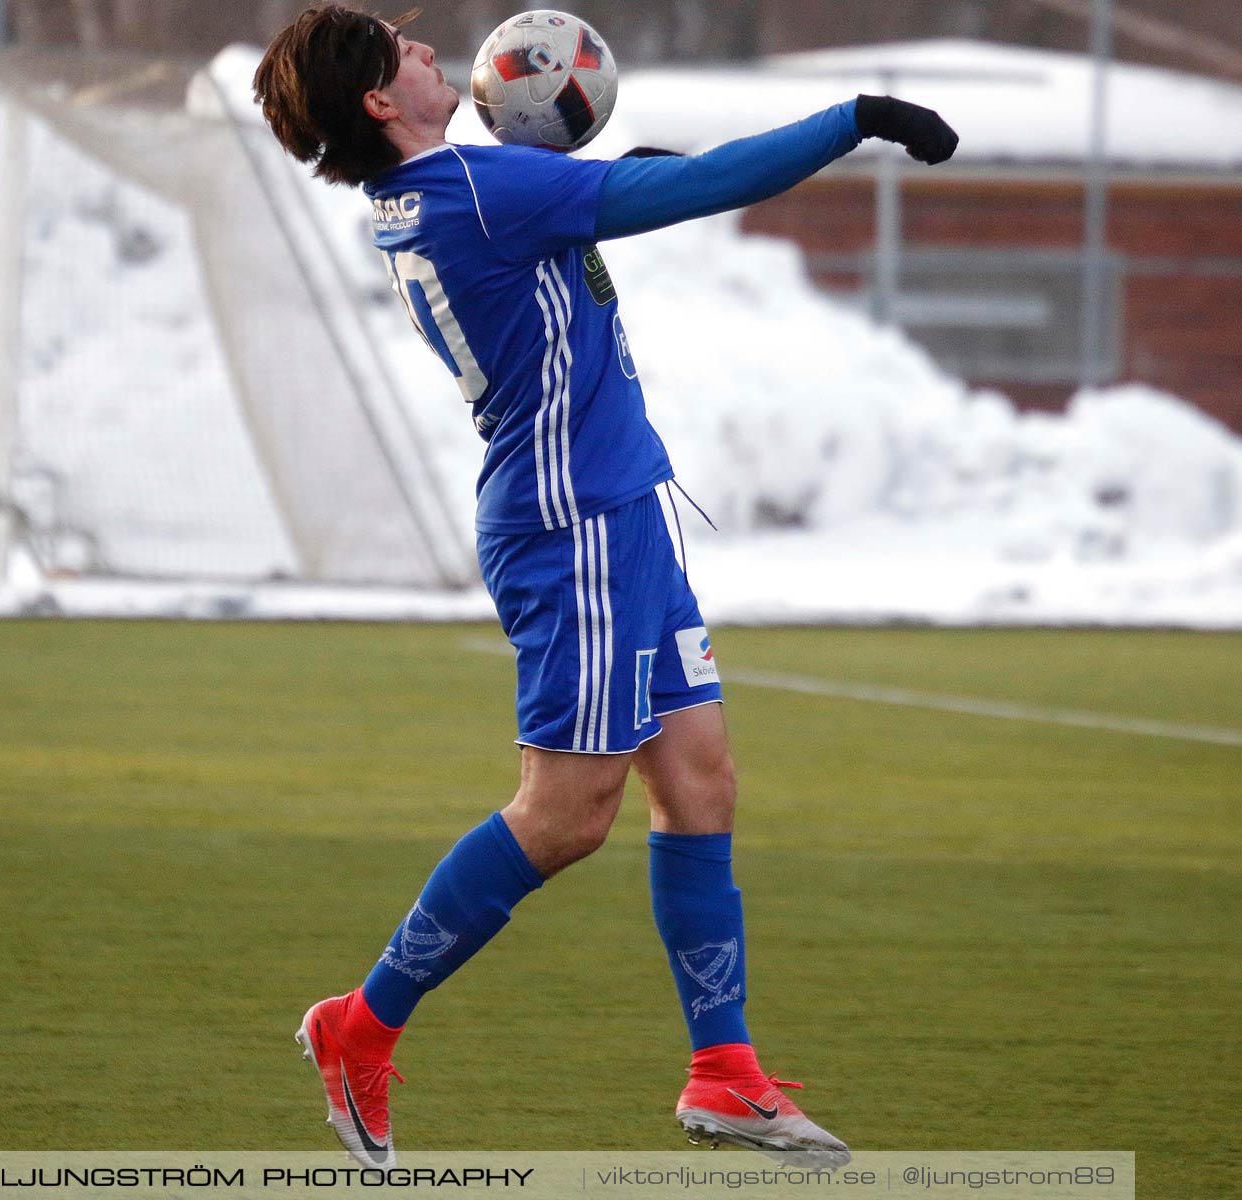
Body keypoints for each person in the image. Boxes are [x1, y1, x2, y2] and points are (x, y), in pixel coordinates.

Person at [252, 5, 957, 1169]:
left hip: (621, 515)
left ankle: (723, 1074)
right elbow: (688, 192)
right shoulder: (480, 196)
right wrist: (855, 119)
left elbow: (585, 200)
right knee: (568, 814)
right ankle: (360, 1026)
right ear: (381, 102)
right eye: (405, 52)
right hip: (567, 528)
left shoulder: (442, 191)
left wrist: (623, 178)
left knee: (698, 778)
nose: (432, 51)